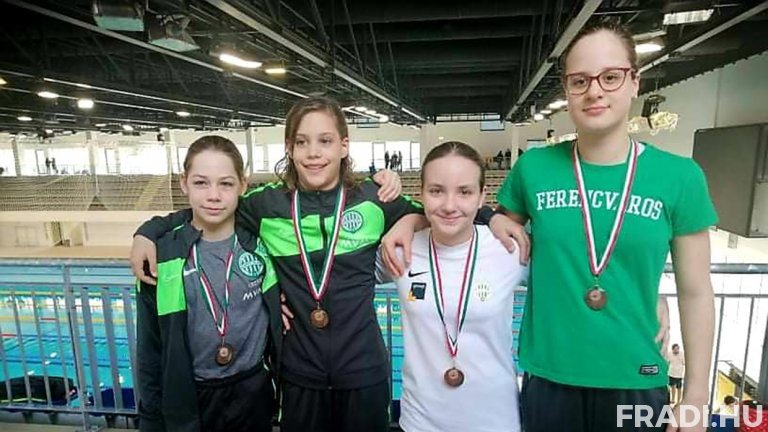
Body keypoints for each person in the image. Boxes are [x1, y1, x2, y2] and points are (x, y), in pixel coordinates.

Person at [381, 21, 715, 432]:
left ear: (634, 82)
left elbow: (696, 291)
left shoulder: (680, 176)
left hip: (637, 376)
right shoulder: (534, 169)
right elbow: (472, 225)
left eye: (610, 77)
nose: (595, 91)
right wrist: (412, 218)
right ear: (567, 89)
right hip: (549, 379)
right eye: (580, 81)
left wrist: (695, 397)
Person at [131, 96, 416, 432]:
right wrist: (148, 231)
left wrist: (408, 221)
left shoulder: (374, 199)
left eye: (325, 141)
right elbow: (211, 209)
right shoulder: (266, 204)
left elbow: (436, 214)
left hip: (363, 371)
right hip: (299, 374)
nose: (313, 152)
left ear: (343, 146)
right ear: (289, 149)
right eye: (302, 142)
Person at [379, 141, 527, 432]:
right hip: (420, 422)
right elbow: (340, 276)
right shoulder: (400, 250)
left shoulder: (510, 250)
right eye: (436, 191)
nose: (449, 205)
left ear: (482, 196)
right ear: (421, 194)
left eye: (464, 192)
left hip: (494, 421)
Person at [136, 136, 281, 432]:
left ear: (243, 185)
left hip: (253, 395)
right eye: (201, 183)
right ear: (184, 183)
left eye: (225, 184)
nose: (214, 195)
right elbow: (149, 351)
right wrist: (150, 419)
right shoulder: (161, 257)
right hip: (189, 397)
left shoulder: (264, 245)